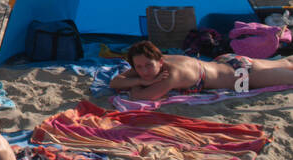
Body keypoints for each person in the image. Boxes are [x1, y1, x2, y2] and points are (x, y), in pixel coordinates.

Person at [110, 39, 293, 99]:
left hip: (241, 76)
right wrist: (141, 81)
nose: (144, 71)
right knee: (285, 63)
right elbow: (115, 81)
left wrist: (136, 84)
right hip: (228, 61)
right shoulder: (149, 64)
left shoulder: (171, 74)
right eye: (139, 68)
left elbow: (140, 96)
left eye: (148, 66)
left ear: (159, 61)